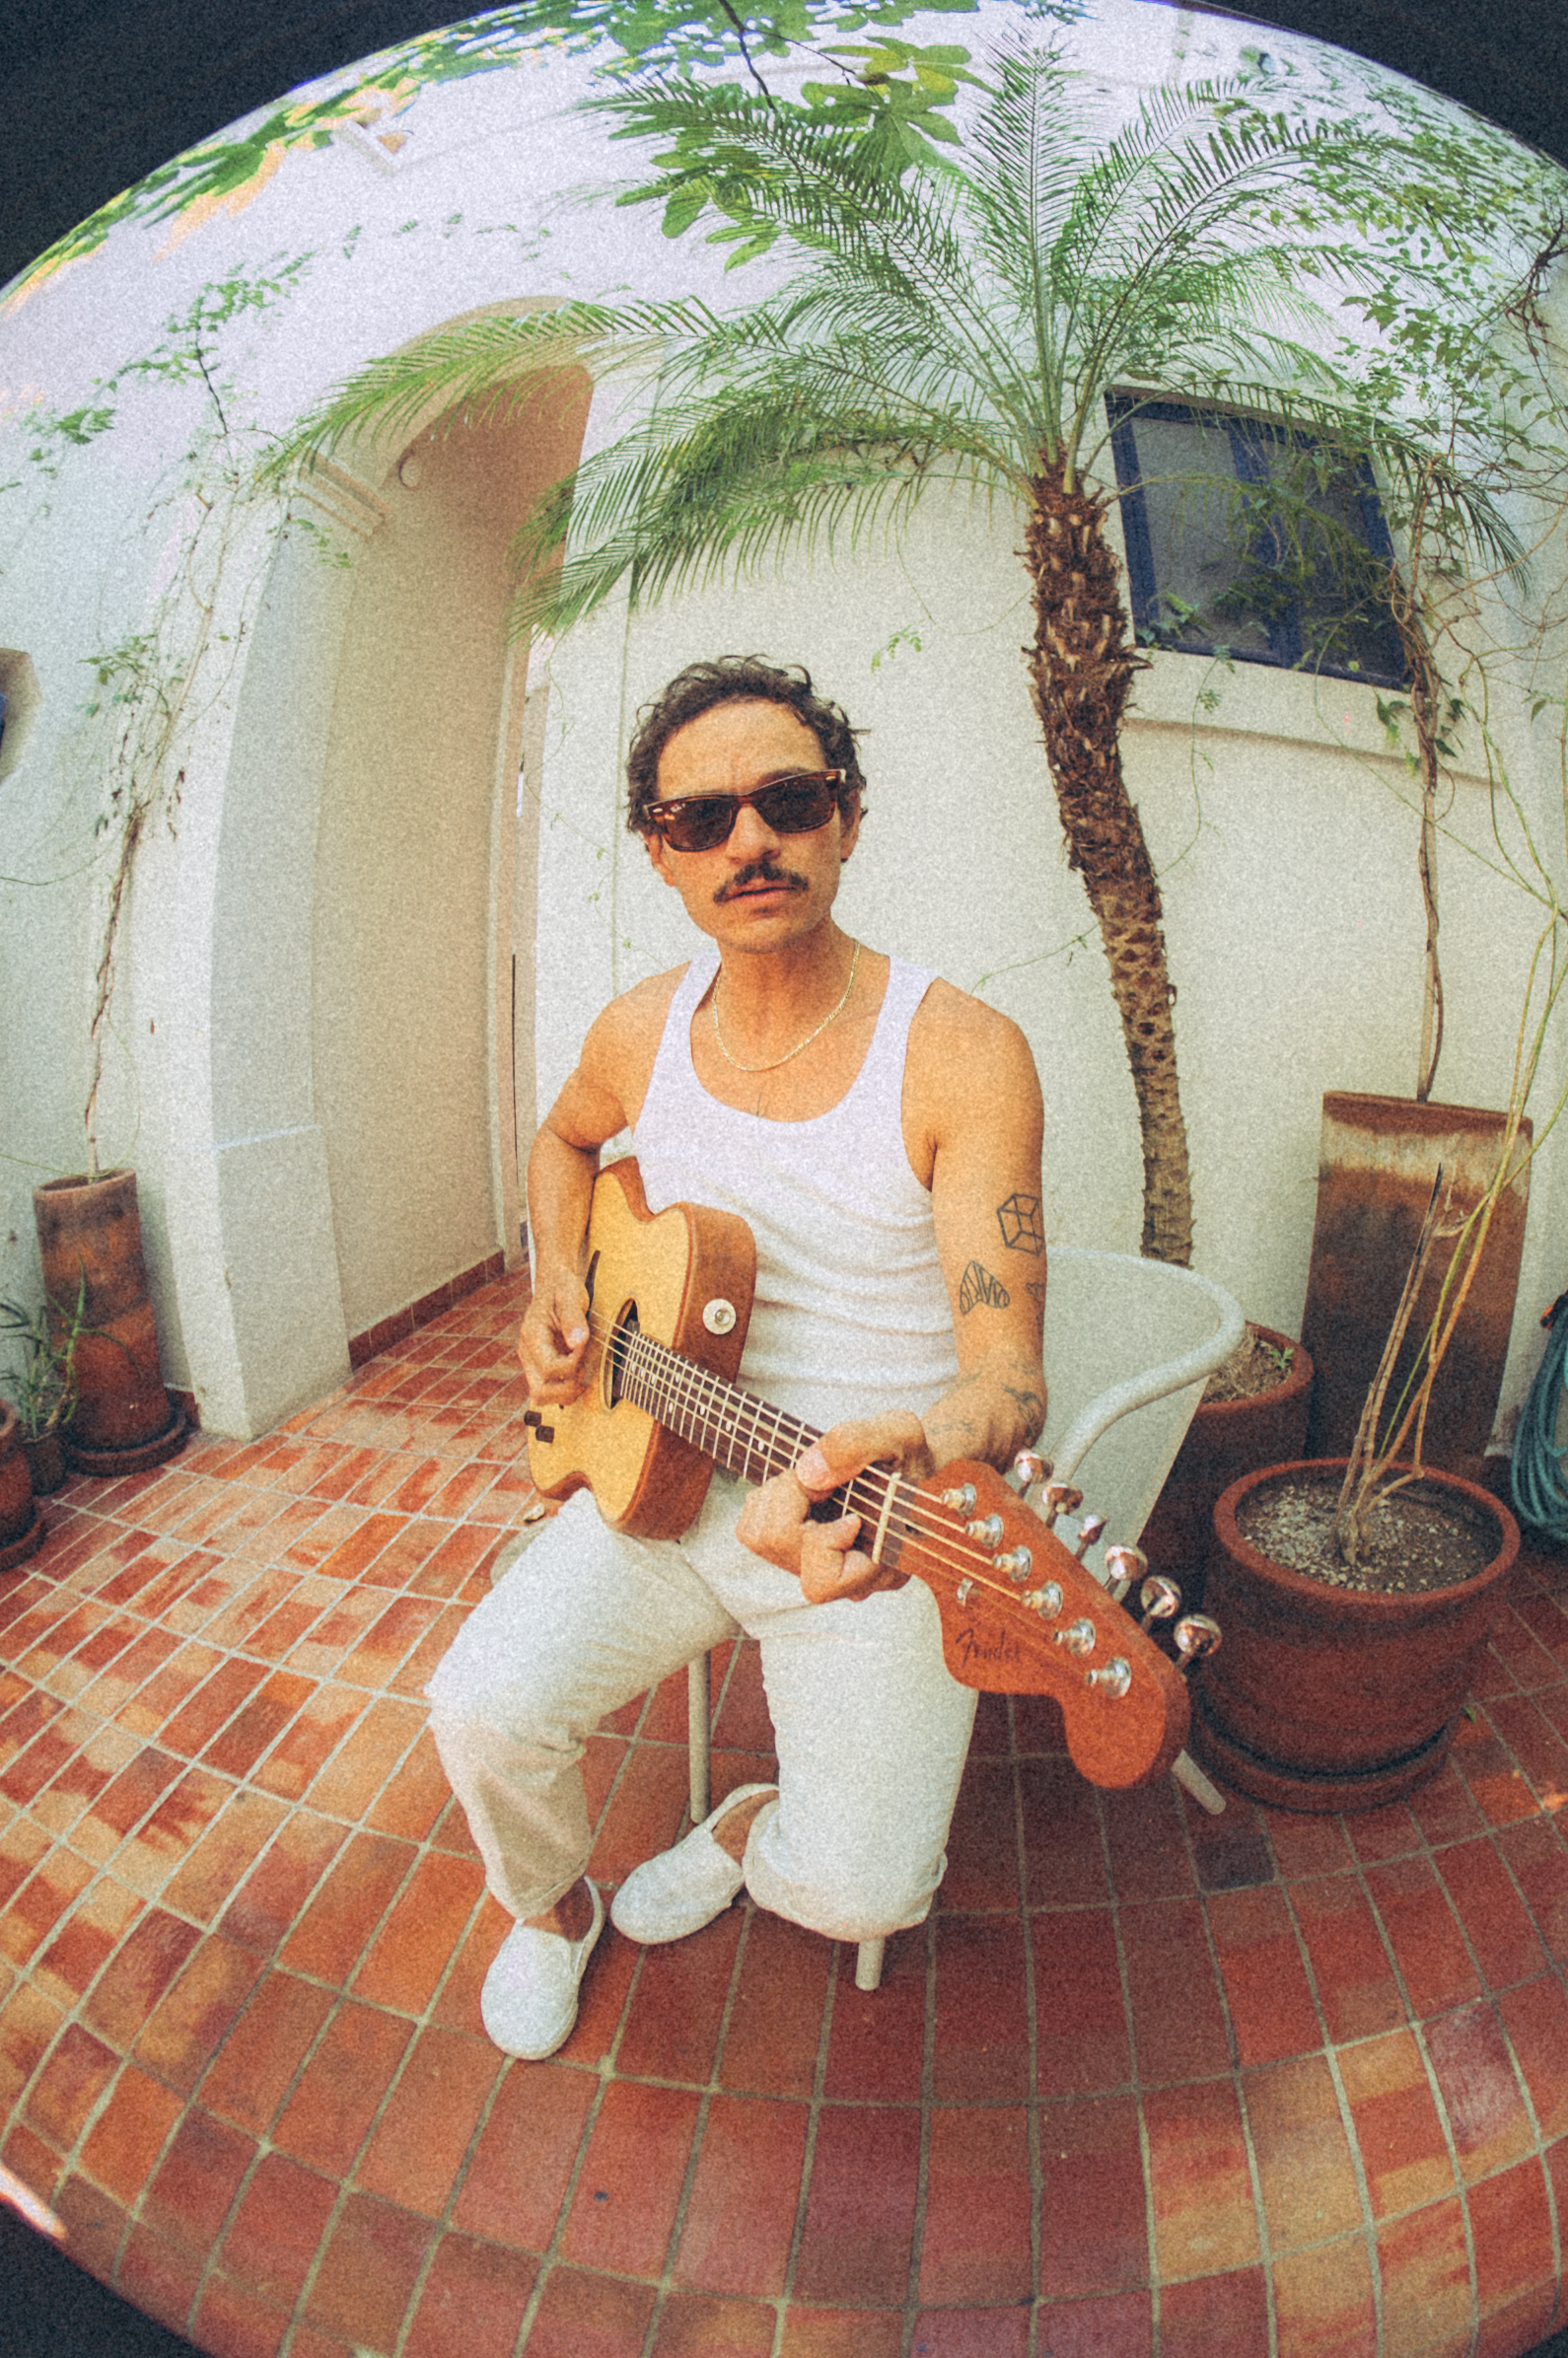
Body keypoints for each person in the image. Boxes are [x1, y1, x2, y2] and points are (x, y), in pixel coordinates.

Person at [425, 655, 1048, 2060]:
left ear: (849, 816)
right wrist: (557, 1281)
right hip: (657, 1488)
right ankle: (551, 1911)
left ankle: (748, 1827)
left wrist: (916, 1442)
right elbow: (563, 1142)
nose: (748, 841)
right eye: (700, 819)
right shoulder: (638, 1033)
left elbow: (1010, 1381)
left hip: (865, 1530)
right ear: (660, 853)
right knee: (478, 1708)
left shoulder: (960, 1052)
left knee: (869, 1892)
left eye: (788, 801)